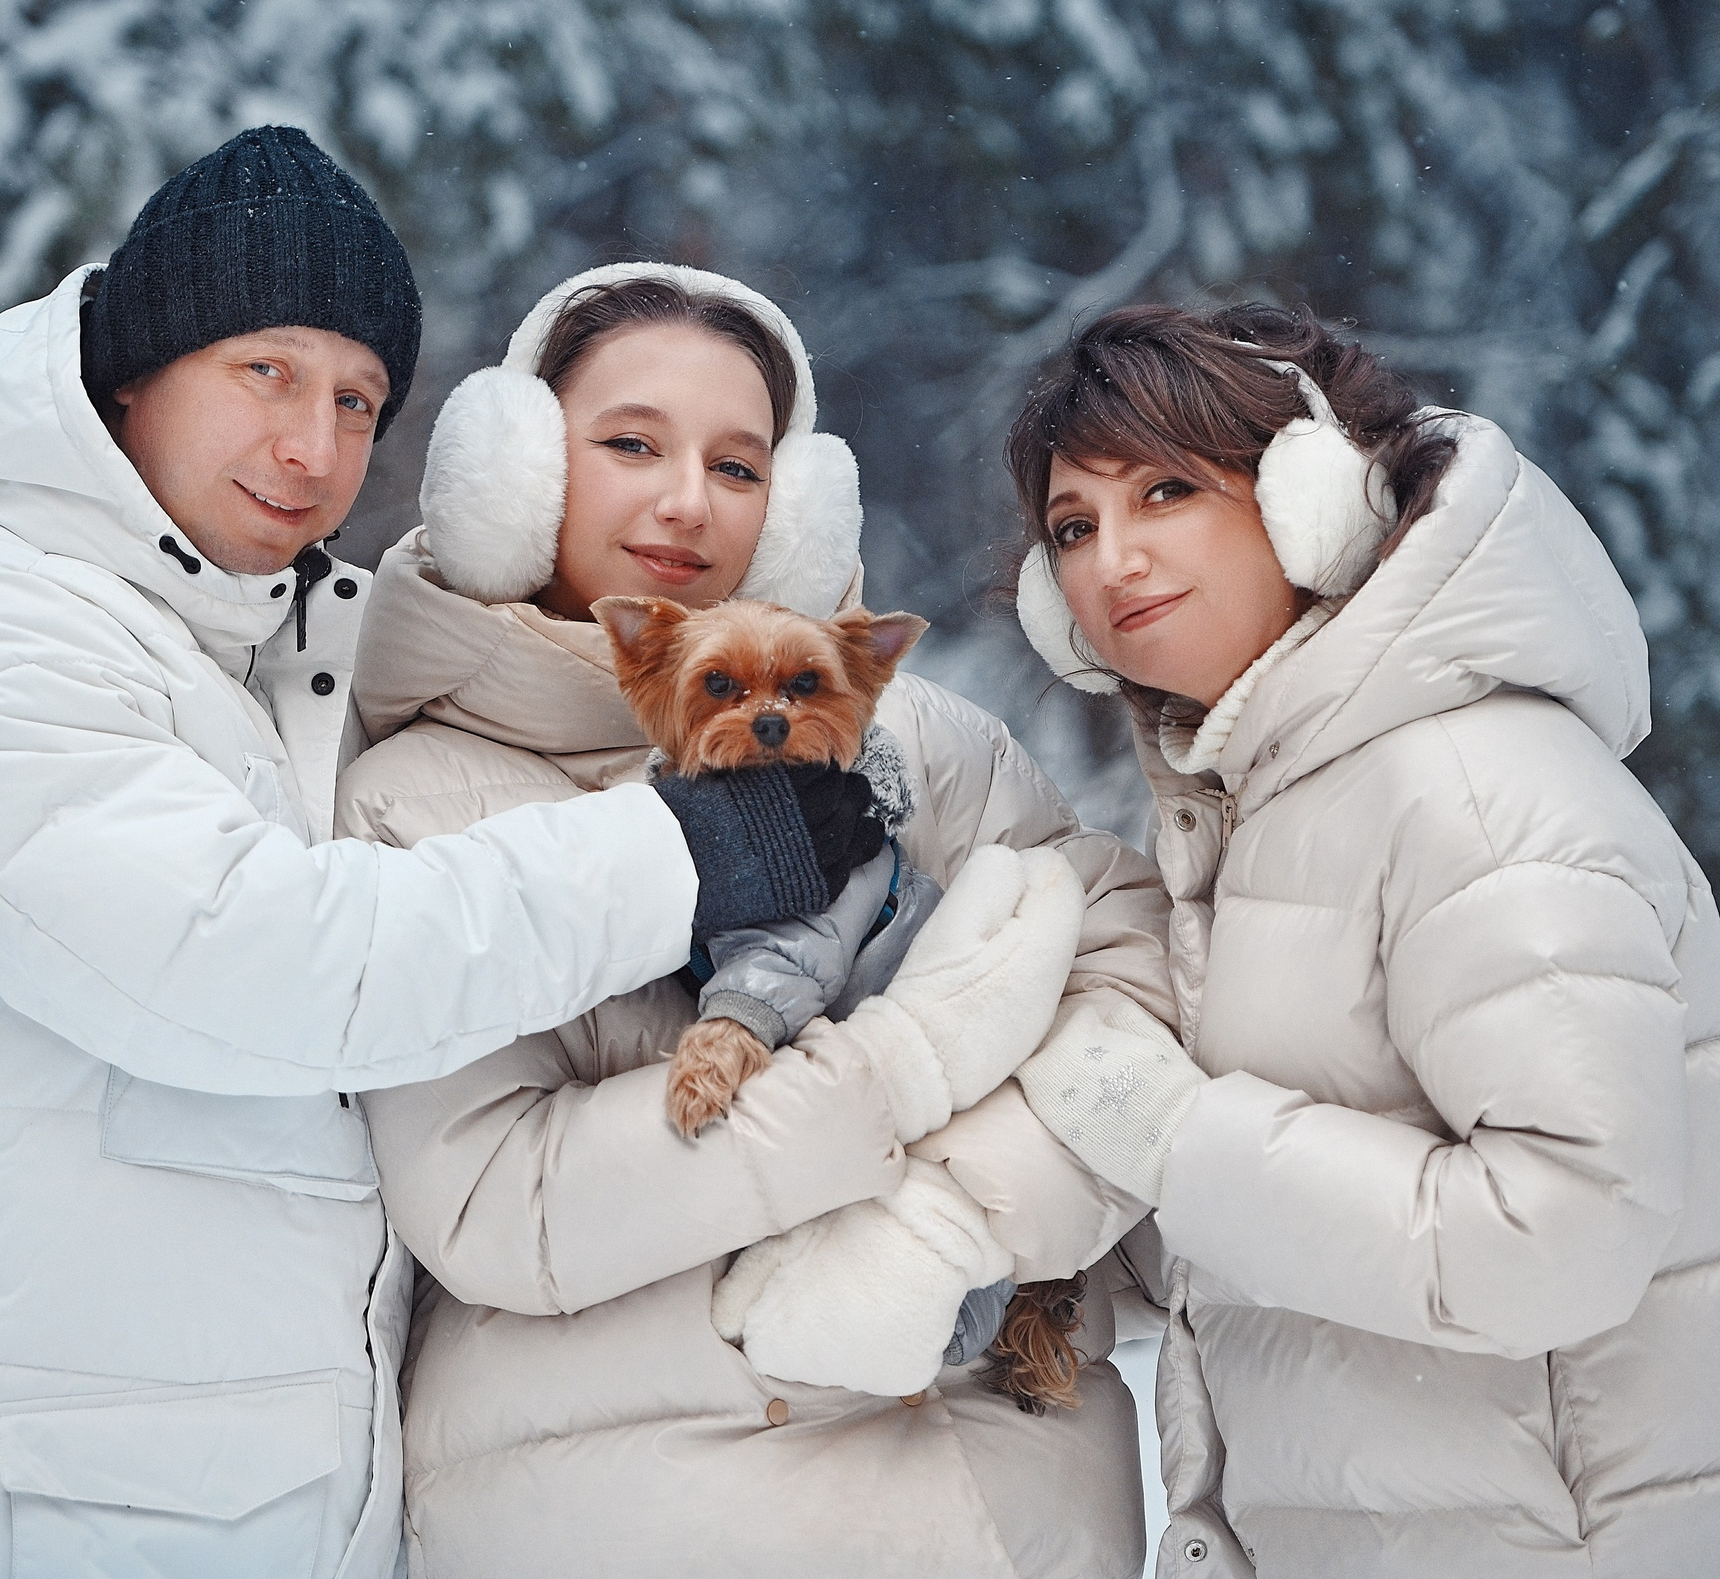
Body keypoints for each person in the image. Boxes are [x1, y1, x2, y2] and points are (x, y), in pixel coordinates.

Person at [0, 133, 875, 1579]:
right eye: (266, 372)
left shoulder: (262, 647)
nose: (315, 446)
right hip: (15, 1499)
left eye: (358, 399)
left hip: (214, 1492)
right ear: (130, 372)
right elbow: (248, 959)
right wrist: (683, 856)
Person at [337, 264, 1177, 1578]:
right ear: (513, 470)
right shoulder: (414, 808)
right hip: (660, 1519)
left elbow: (1130, 974)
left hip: (1016, 1520)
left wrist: (965, 1212)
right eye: (629, 444)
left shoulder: (916, 742)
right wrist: (886, 1077)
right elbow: (505, 1200)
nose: (687, 499)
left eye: (738, 465)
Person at [1002, 303, 1720, 1577]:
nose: (1114, 560)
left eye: (1166, 491)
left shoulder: (1470, 792)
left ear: (1312, 500)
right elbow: (1295, 1218)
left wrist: (1166, 1132)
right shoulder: (1278, 804)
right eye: (1074, 528)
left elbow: (1557, 1236)